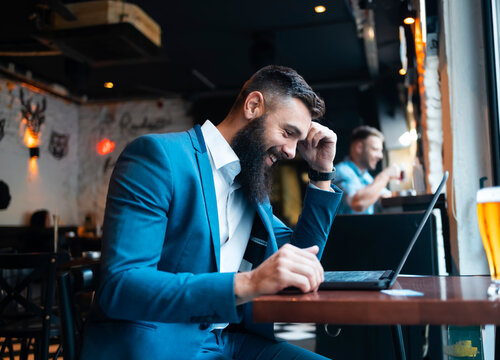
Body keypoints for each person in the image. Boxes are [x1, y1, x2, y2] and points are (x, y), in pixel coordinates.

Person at [81, 65, 342, 360]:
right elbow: (121, 286)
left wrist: (321, 174)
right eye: (287, 132)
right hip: (162, 345)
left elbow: (300, 257)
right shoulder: (158, 157)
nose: (292, 153)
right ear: (253, 106)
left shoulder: (251, 185)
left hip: (229, 341)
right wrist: (249, 283)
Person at [334, 125, 400, 215]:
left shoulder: (366, 176)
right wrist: (385, 175)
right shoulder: (341, 171)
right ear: (359, 148)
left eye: (381, 151)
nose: (380, 156)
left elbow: (385, 195)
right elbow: (358, 203)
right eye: (375, 149)